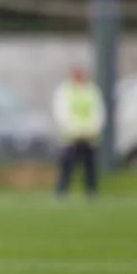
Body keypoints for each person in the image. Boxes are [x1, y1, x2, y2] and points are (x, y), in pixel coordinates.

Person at [52, 66, 105, 199]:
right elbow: (60, 111)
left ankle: (91, 191)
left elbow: (98, 111)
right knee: (67, 165)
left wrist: (92, 128)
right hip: (71, 137)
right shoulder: (65, 90)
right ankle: (62, 191)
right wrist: (73, 128)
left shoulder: (92, 90)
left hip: (89, 136)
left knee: (90, 166)